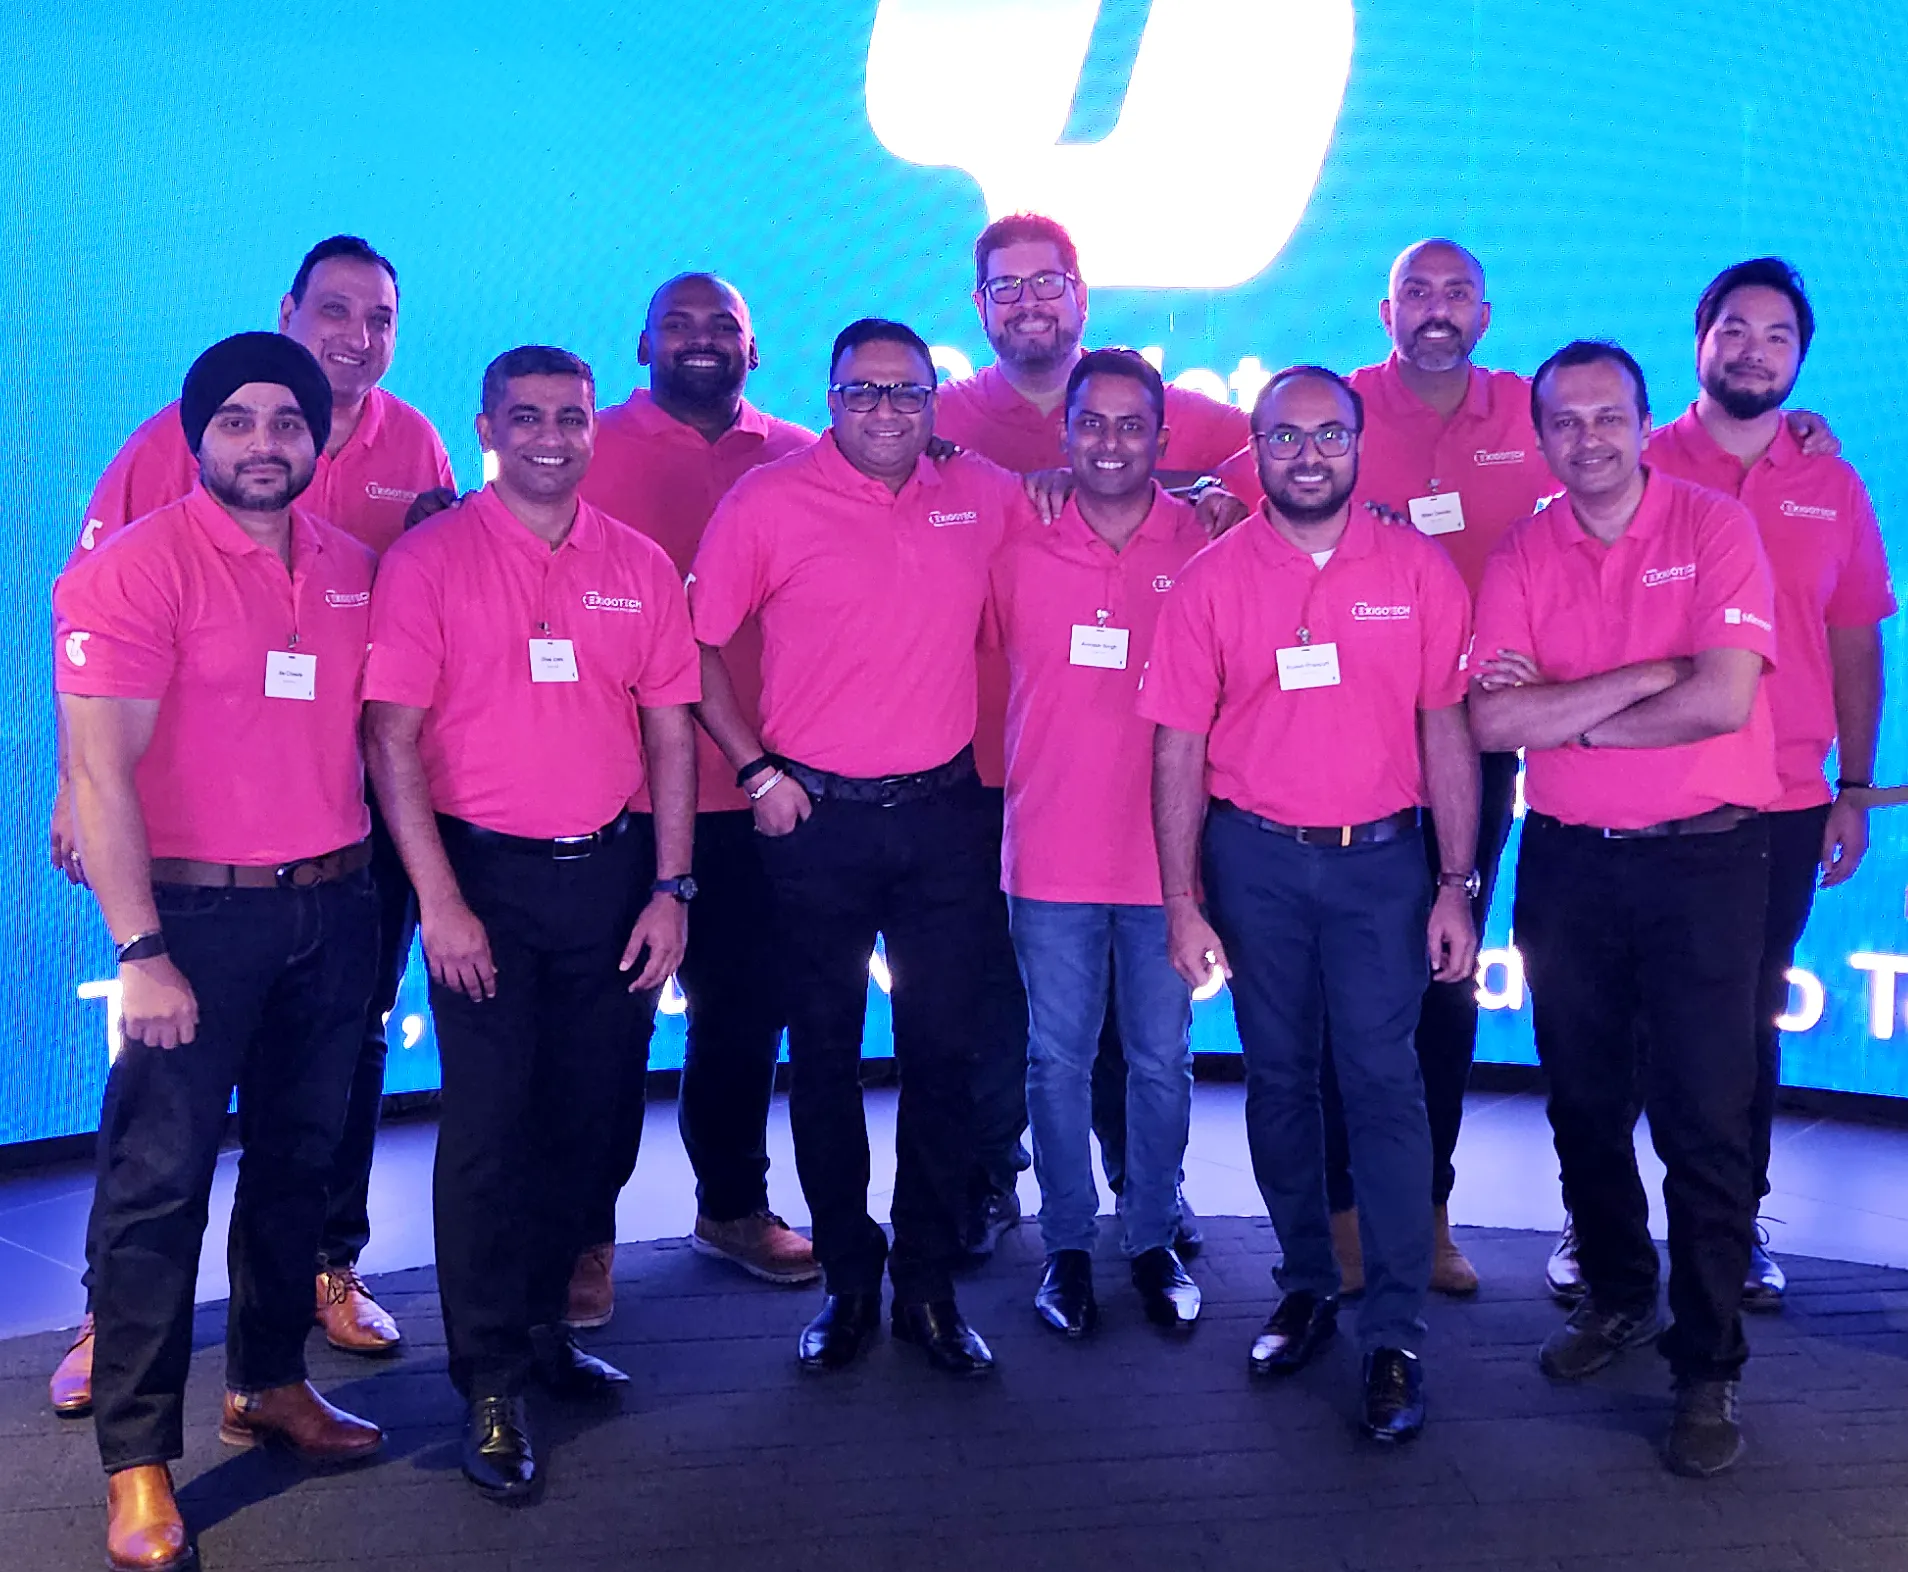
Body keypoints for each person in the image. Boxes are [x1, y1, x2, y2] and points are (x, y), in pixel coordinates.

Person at [48, 237, 453, 1418]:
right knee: (161, 1162)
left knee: (319, 1111)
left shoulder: (409, 452)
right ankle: (114, 1354)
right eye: (334, 310)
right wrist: (79, 787)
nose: (356, 334)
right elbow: (96, 632)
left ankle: (303, 1314)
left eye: (379, 315)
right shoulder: (157, 490)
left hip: (340, 860)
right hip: (193, 875)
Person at [57, 333, 387, 1571]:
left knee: (299, 1168)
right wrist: (140, 950)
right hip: (190, 923)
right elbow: (99, 770)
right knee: (160, 1188)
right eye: (239, 422)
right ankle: (138, 1461)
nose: (265, 444)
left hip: (335, 907)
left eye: (288, 424)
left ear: (320, 437)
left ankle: (267, 1382)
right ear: (197, 436)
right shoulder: (135, 571)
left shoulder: (355, 569)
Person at [363, 346, 700, 1501]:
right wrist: (441, 902)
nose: (551, 435)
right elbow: (391, 742)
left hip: (612, 882)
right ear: (487, 426)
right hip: (484, 885)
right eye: (525, 416)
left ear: (593, 427)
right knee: (492, 1138)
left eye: (570, 416)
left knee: (593, 1122)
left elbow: (667, 735)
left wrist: (671, 887)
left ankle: (550, 1333)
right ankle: (491, 1377)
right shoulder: (431, 560)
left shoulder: (638, 565)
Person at [1546, 259, 1893, 1312]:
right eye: (1732, 330)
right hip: (1635, 791)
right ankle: (1601, 1229)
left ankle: (1732, 1231)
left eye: (1777, 336)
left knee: (1739, 1026)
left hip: (1782, 798)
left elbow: (1853, 641)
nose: (1753, 351)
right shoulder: (1636, 459)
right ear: (1697, 342)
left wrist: (1856, 785)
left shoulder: (1827, 479)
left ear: (1800, 356)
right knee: (1616, 1028)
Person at [1142, 365, 1479, 1444]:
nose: (1308, 455)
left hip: (1384, 865)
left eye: (1329, 435)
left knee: (1383, 1084)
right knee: (1281, 1080)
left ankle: (1392, 1331)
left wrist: (1457, 883)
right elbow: (1179, 748)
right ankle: (1304, 1286)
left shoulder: (1420, 571)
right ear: (1257, 448)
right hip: (1256, 865)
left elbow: (1447, 733)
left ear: (1358, 444)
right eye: (1284, 437)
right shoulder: (1208, 580)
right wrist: (1182, 899)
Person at [689, 317, 1032, 1377]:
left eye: (906, 391)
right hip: (813, 822)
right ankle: (848, 1281)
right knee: (826, 1058)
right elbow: (691, 650)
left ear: (934, 401)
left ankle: (926, 1283)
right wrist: (755, 773)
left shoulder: (984, 496)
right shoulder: (768, 500)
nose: (885, 409)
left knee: (943, 1056)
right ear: (830, 397)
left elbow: (1080, 540)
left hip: (943, 818)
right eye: (862, 391)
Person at [1470, 339, 1779, 1477]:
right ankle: (1616, 1297)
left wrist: (1578, 720)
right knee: (1585, 1108)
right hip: (1569, 867)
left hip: (1706, 865)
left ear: (1646, 423)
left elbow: (1723, 698)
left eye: (1610, 418)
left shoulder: (1712, 528)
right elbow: (1495, 726)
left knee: (1705, 1120)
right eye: (1565, 421)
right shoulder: (1522, 549)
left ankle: (1708, 1368)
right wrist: (1644, 676)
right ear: (1541, 433)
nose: (1588, 438)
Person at [936, 212, 1244, 1259]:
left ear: (1081, 291)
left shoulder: (1183, 419)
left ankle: (1143, 1189)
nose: (1028, 301)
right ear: (979, 307)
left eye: (1047, 281)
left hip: (1146, 780)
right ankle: (994, 1178)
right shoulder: (940, 417)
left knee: (1138, 1032)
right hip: (998, 770)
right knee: (1003, 1009)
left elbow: (1271, 467)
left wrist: (1210, 497)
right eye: (1005, 286)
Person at [572, 272, 819, 1318]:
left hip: (764, 792)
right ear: (642, 342)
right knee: (607, 1030)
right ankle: (583, 1236)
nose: (703, 339)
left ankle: (731, 1205)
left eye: (725, 325)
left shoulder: (807, 456)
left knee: (743, 1020)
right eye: (678, 321)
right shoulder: (584, 446)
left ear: (755, 352)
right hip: (614, 796)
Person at [987, 349, 1207, 1337]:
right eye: (1092, 423)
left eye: (1132, 425)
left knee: (1161, 1059)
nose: (1110, 442)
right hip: (1049, 852)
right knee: (1057, 1062)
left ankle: (1152, 1236)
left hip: (1171, 860)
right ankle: (1068, 1248)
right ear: (1063, 432)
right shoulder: (1015, 541)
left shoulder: (1205, 538)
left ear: (1162, 438)